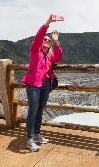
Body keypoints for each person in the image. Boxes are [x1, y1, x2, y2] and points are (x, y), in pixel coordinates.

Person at [21, 14, 63, 152]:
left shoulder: (50, 55)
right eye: (45, 39)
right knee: (33, 109)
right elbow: (39, 36)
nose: (46, 40)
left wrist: (56, 41)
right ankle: (29, 139)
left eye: (48, 40)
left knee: (40, 109)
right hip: (33, 83)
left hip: (45, 84)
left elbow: (58, 57)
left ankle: (37, 134)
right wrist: (48, 23)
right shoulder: (35, 50)